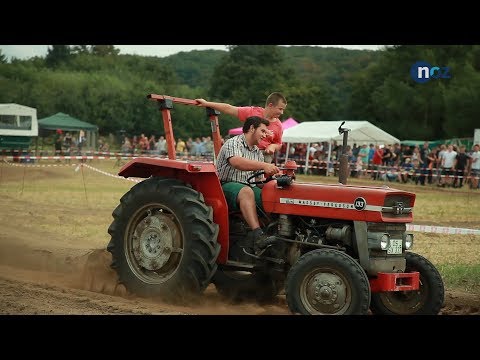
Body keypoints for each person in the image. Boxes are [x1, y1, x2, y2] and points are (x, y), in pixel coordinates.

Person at [216, 116, 280, 254]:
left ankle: (276, 233)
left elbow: (258, 181)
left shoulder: (257, 152)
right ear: (252, 128)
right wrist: (264, 165)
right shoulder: (233, 143)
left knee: (271, 196)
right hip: (224, 186)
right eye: (262, 131)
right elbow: (237, 162)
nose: (265, 135)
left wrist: (275, 182)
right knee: (247, 192)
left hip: (248, 187)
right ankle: (258, 235)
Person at [195, 92, 287, 163]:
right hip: (245, 152)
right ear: (270, 105)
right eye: (280, 109)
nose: (282, 112)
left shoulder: (278, 125)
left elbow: (278, 143)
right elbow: (230, 108)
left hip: (263, 155)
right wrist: (207, 103)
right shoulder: (252, 112)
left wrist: (273, 146)